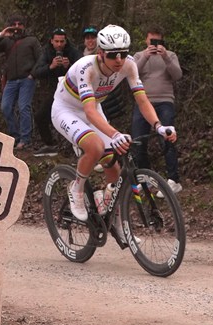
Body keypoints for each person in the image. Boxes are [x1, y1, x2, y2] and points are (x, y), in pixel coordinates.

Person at [51, 25, 177, 226]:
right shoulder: (87, 67)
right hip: (66, 109)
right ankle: (77, 188)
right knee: (95, 146)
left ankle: (113, 218)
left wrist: (159, 126)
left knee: (113, 163)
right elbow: (90, 112)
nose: (119, 59)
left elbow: (143, 100)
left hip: (93, 106)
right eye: (113, 55)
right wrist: (116, 133)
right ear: (100, 53)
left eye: (123, 53)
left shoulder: (129, 65)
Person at [131, 27, 184, 196]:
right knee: (138, 140)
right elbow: (132, 74)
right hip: (143, 102)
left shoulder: (170, 55)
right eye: (151, 41)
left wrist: (165, 56)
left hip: (164, 101)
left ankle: (173, 180)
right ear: (146, 41)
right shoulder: (139, 56)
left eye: (158, 41)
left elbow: (177, 75)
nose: (154, 44)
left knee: (167, 137)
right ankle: (144, 177)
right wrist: (146, 56)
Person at [0, 14, 41, 150]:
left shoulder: (32, 40)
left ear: (24, 25)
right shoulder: (6, 41)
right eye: (14, 24)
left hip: (26, 79)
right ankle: (15, 137)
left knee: (24, 107)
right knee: (5, 107)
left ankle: (26, 139)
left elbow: (40, 59)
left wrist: (32, 74)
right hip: (11, 80)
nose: (17, 27)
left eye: (20, 24)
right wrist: (1, 34)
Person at [32, 28, 82, 157]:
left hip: (73, 92)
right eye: (57, 41)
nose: (59, 44)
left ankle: (74, 146)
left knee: (73, 118)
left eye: (62, 41)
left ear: (66, 41)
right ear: (52, 41)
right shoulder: (47, 52)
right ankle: (50, 145)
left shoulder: (73, 51)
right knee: (40, 116)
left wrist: (69, 67)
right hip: (55, 91)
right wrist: (51, 66)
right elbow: (36, 72)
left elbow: (83, 69)